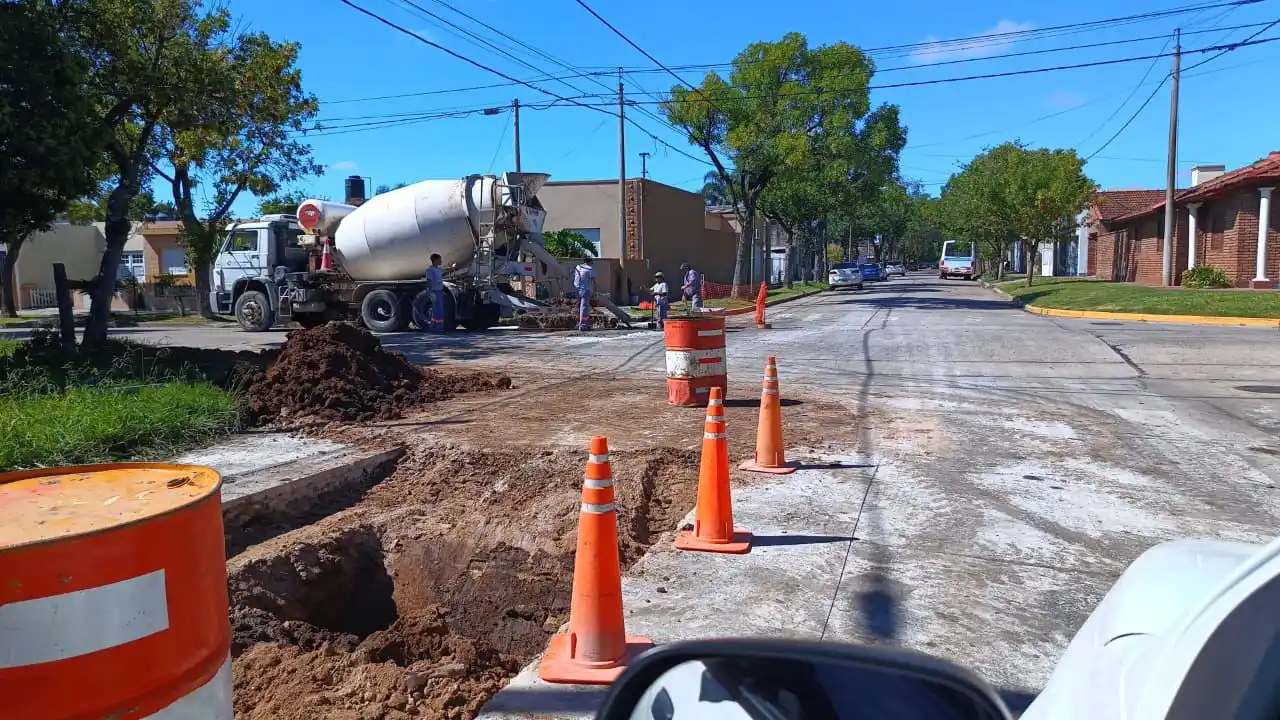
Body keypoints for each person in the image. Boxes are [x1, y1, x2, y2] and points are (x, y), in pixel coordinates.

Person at [572, 255, 596, 331]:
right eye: (592, 262)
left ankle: (578, 323)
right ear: (589, 262)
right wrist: (596, 291)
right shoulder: (590, 269)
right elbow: (594, 281)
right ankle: (583, 325)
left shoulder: (577, 267)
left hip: (576, 289)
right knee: (584, 307)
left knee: (579, 306)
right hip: (585, 290)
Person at [424, 253, 446, 333]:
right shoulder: (430, 270)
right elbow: (429, 281)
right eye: (439, 259)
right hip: (434, 291)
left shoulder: (439, 269)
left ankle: (439, 327)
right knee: (436, 311)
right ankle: (434, 328)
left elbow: (444, 273)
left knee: (440, 310)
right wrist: (430, 292)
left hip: (439, 291)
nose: (441, 261)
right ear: (435, 260)